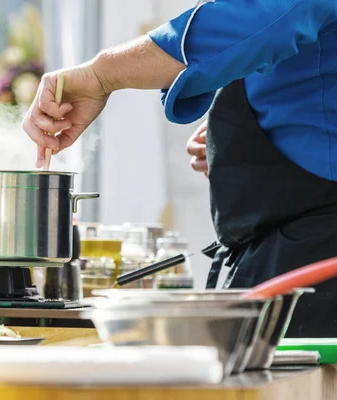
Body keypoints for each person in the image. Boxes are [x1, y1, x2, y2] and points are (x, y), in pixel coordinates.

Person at [22, 0, 337, 337]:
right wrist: (235, 140)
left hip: (314, 246)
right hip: (288, 239)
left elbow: (267, 15)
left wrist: (101, 75)